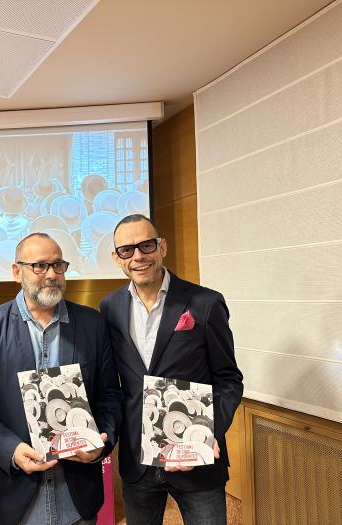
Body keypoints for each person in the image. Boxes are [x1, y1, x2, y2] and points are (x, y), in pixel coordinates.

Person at [0, 232, 122, 525]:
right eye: (40, 266)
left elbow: (110, 394)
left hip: (77, 499)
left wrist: (101, 446)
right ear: (16, 270)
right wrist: (10, 450)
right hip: (8, 496)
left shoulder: (92, 324)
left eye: (58, 266)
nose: (51, 275)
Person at [99, 214, 243, 525]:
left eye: (146, 245)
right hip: (138, 463)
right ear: (116, 258)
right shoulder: (109, 308)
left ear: (162, 247)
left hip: (197, 460)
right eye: (127, 250)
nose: (138, 256)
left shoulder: (205, 303)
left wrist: (206, 433)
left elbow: (229, 380)